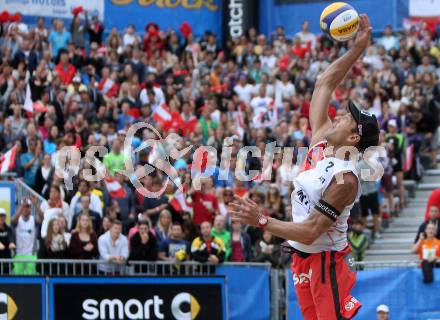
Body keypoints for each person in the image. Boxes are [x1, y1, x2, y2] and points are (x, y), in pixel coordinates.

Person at [230, 15, 378, 319]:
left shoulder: (345, 181)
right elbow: (325, 82)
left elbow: (311, 231)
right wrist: (357, 49)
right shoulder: (322, 140)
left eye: (346, 117)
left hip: (327, 262)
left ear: (353, 136)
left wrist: (260, 221)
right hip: (303, 258)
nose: (337, 115)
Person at [12, 199, 38, 275]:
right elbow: (13, 221)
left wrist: (36, 205)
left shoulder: (34, 219)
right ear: (20, 207)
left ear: (30, 208)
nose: (25, 208)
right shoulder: (17, 219)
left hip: (31, 255)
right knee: (17, 280)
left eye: (27, 206)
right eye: (24, 206)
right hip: (18, 255)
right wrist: (21, 207)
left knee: (32, 280)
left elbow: (42, 218)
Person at [0, 208, 15, 274]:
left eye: (3, 216)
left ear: (5, 217)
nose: (1, 218)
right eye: (0, 216)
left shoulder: (8, 228)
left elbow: (11, 237)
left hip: (6, 261)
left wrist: (11, 243)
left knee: (6, 281)